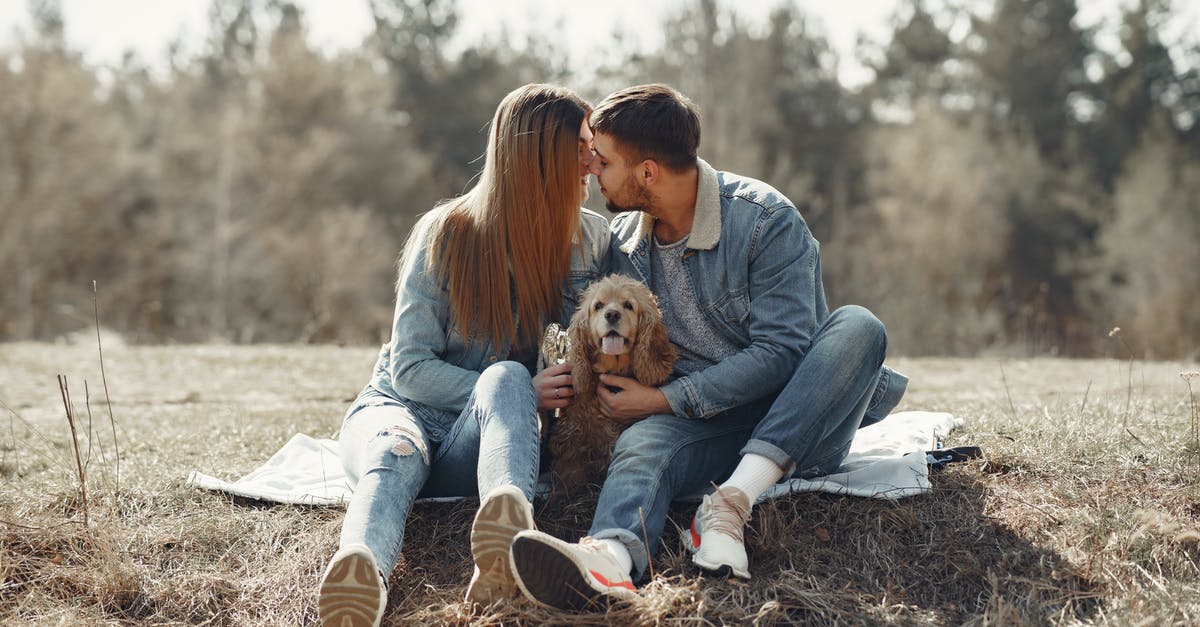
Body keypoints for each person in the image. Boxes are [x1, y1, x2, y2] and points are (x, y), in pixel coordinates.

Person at [509, 84, 908, 610]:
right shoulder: (624, 241)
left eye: (601, 161)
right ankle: (609, 556)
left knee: (860, 327)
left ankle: (731, 503)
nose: (590, 170)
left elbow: (783, 353)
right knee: (643, 443)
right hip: (701, 425)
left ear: (647, 172)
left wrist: (663, 400)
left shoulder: (766, 220)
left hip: (797, 418)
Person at [316, 83, 610, 627]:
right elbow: (409, 368)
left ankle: (504, 538)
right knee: (395, 452)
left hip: (478, 441)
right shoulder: (446, 234)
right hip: (402, 409)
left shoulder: (592, 242)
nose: (593, 162)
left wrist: (522, 390)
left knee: (504, 376)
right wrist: (525, 389)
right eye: (581, 150)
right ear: (542, 160)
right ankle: (360, 573)